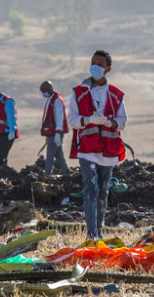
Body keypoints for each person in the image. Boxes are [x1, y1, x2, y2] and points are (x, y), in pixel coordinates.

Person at [67, 50, 127, 240]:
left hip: (108, 152)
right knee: (91, 190)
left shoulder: (116, 95)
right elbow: (72, 119)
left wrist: (109, 123)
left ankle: (99, 232)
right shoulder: (78, 92)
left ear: (107, 69)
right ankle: (91, 234)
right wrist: (89, 119)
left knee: (103, 191)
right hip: (86, 150)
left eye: (99, 63)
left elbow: (123, 121)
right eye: (93, 62)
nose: (95, 66)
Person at [39, 80, 69, 176]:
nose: (43, 94)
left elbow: (59, 118)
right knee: (59, 156)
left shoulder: (57, 100)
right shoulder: (51, 99)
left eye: (44, 91)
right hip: (52, 133)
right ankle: (67, 173)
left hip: (56, 133)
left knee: (50, 156)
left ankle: (47, 176)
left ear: (50, 89)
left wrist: (57, 134)